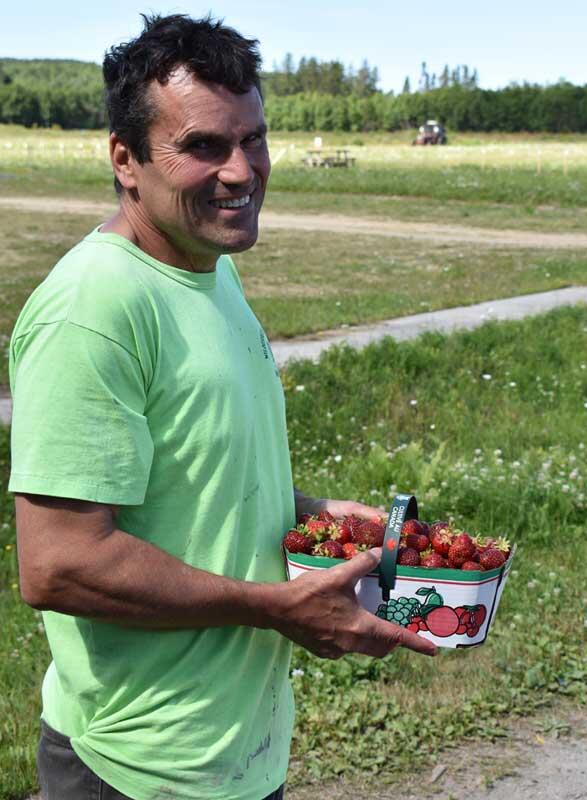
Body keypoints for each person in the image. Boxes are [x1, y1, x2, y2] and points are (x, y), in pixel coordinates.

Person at [8, 14, 436, 800]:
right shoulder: (94, 307)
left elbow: (193, 481)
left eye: (254, 140)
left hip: (233, 755)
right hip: (138, 769)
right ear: (126, 159)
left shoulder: (209, 272)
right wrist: (274, 608)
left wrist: (317, 517)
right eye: (204, 146)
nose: (242, 171)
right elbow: (60, 563)